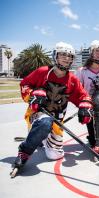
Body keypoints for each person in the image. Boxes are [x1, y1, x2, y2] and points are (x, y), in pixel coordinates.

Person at [12, 42, 93, 173]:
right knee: (44, 123)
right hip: (37, 115)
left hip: (57, 121)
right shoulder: (42, 72)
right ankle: (24, 151)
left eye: (70, 56)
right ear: (55, 56)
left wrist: (85, 105)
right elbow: (24, 85)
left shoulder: (72, 80)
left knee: (54, 155)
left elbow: (83, 96)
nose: (67, 58)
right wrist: (32, 94)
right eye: (63, 55)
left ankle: (41, 137)